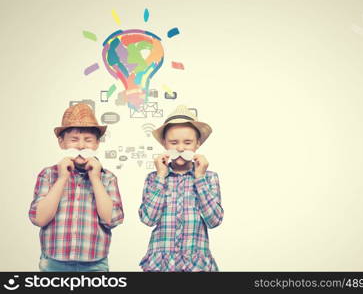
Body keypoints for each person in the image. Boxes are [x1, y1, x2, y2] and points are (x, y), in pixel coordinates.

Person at [28, 103, 124, 272]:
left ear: (97, 144)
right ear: (61, 142)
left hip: (95, 263)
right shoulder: (48, 175)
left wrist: (95, 179)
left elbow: (113, 220)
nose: (81, 146)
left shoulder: (107, 178)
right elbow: (39, 219)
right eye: (74, 140)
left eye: (88, 140)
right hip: (53, 262)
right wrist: (63, 177)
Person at [139, 105, 224, 271]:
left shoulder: (209, 177)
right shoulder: (154, 178)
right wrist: (161, 177)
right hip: (160, 265)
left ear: (197, 144)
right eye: (173, 142)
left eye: (187, 142)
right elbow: (148, 219)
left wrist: (199, 178)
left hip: (196, 265)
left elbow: (214, 221)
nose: (180, 148)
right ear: (164, 143)